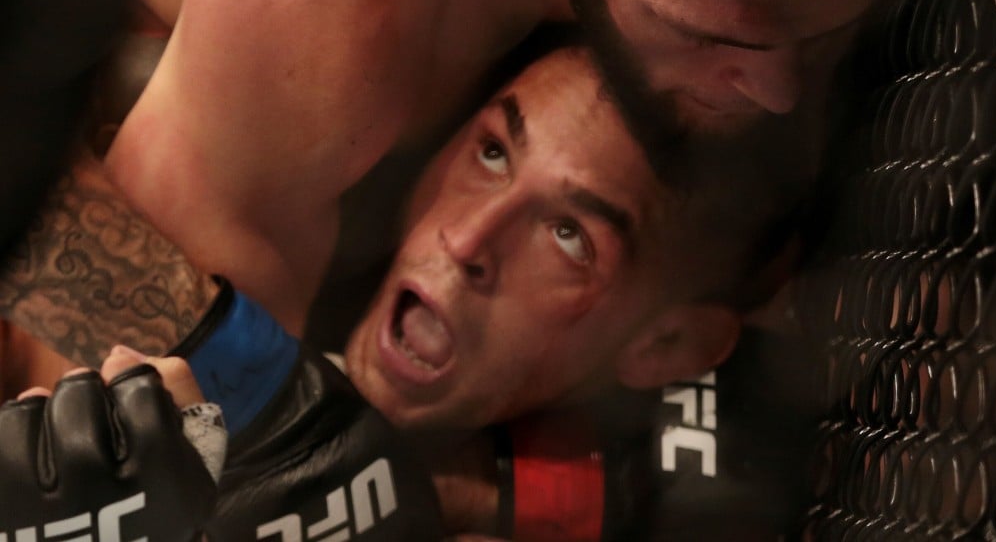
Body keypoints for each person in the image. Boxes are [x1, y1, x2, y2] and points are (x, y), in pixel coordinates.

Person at [90, 0, 921, 334]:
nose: (777, 93)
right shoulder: (309, 13)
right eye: (716, 40)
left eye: (815, 36)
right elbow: (126, 394)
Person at [3, 41, 760, 538]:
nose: (466, 239)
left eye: (570, 236)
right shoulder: (273, 191)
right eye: (492, 153)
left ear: (666, 345)